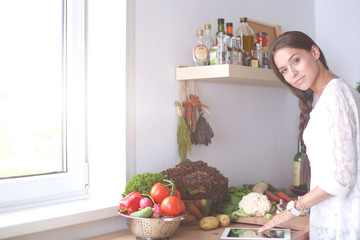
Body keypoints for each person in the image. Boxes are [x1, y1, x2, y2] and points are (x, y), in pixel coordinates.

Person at [258, 31, 360, 239]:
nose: (292, 73)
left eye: (296, 60)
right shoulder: (331, 95)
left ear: (314, 52)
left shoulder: (335, 97)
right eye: (285, 70)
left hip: (345, 222)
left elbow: (342, 178)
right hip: (336, 217)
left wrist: (294, 209)